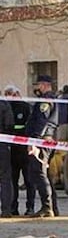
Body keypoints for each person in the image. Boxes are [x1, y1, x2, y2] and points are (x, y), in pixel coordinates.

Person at [25, 74, 60, 218]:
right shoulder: (49, 99)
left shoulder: (45, 101)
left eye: (38, 85)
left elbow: (41, 122)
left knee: (38, 173)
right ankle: (52, 207)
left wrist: (34, 142)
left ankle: (47, 207)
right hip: (45, 140)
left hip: (41, 141)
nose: (37, 88)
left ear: (45, 85)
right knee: (44, 175)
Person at [4, 85, 32, 216]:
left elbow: (29, 125)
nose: (10, 96)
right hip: (12, 150)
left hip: (24, 148)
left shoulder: (25, 107)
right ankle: (13, 207)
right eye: (7, 94)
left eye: (12, 94)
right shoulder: (6, 107)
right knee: (12, 180)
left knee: (29, 180)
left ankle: (30, 207)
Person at [0, 89, 14, 218]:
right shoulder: (4, 104)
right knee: (5, 178)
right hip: (2, 144)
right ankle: (6, 210)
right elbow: (10, 124)